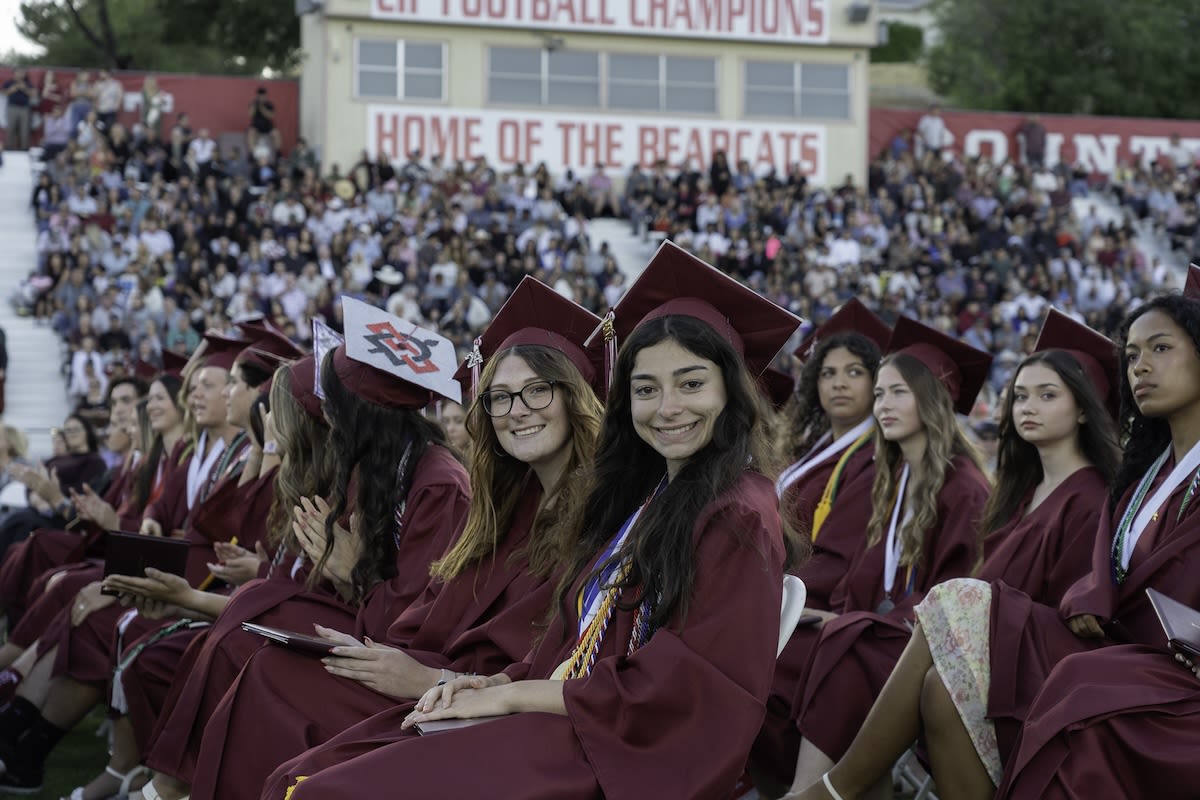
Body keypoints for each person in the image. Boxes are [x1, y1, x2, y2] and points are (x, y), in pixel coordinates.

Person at [269, 240, 799, 800]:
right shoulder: (658, 499)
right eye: (646, 389)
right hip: (575, 726)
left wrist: (508, 695)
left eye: (691, 384)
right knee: (312, 772)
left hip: (621, 759)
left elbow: (682, 689)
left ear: (732, 392)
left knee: (328, 791)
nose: (667, 407)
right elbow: (579, 646)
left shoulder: (737, 516)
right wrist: (494, 683)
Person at [170, 279, 604, 800]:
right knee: (265, 653)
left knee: (274, 691)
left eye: (538, 391)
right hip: (432, 677)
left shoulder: (584, 517)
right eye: (501, 397)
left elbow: (542, 662)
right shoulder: (506, 506)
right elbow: (428, 611)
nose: (517, 410)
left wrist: (367, 593)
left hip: (479, 705)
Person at [788, 308, 1121, 800]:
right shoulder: (1018, 495)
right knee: (910, 681)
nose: (1026, 407)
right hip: (979, 646)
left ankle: (824, 791)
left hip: (1032, 665)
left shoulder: (1089, 498)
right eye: (1020, 395)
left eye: (1047, 395)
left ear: (1084, 409)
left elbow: (1061, 609)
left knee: (864, 646)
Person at [178, 297, 471, 800]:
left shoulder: (438, 485)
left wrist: (351, 572)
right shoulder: (380, 470)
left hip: (417, 675)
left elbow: (419, 627)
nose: (326, 418)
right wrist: (345, 573)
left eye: (333, 405)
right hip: (375, 641)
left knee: (266, 671)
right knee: (257, 634)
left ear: (362, 413)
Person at [784, 315, 993, 795]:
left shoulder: (964, 488)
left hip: (920, 643)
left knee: (848, 651)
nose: (884, 405)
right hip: (872, 628)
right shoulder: (892, 479)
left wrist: (853, 622)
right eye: (879, 394)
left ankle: (808, 790)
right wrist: (830, 613)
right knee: (786, 649)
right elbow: (860, 574)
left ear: (933, 400)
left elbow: (955, 592)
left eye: (898, 392)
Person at [750, 299, 891, 790]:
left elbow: (840, 556)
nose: (838, 382)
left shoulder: (875, 459)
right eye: (828, 372)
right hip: (784, 589)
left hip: (816, 603)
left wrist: (763, 586)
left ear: (879, 383)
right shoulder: (814, 453)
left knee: (755, 662)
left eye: (854, 371)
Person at [2, 69, 34, 151]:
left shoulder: (27, 83)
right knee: (11, 128)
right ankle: (9, 147)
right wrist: (14, 88)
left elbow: (33, 94)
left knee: (24, 129)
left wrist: (24, 88)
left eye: (21, 72)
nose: (20, 74)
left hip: (24, 109)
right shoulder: (9, 82)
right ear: (14, 73)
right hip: (12, 108)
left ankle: (24, 148)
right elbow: (3, 93)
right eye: (18, 72)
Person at [247, 86, 281, 156]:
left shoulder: (269, 104)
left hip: (268, 126)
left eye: (263, 96)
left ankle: (278, 153)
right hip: (256, 126)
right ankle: (252, 153)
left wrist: (262, 108)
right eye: (260, 96)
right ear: (258, 96)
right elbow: (250, 115)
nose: (262, 98)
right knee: (251, 133)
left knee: (276, 133)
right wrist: (255, 106)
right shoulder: (253, 103)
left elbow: (271, 116)